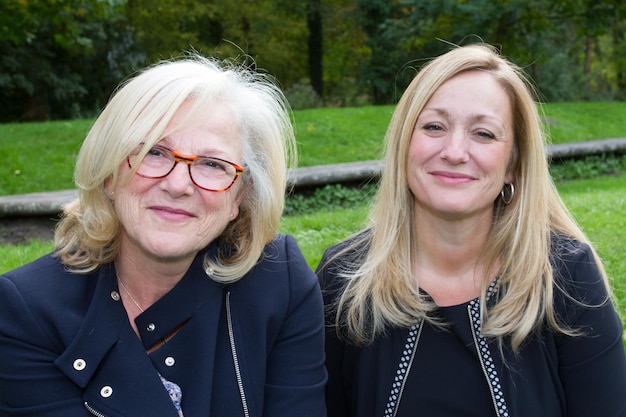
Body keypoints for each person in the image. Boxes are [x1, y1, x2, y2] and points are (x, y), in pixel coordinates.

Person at [0, 54, 327, 416]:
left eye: (212, 164)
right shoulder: (25, 310)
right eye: (153, 152)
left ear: (239, 197)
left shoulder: (279, 281)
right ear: (109, 174)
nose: (177, 185)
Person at [317, 43, 626, 417]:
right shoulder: (342, 278)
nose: (454, 150)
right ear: (403, 145)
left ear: (513, 164)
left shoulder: (567, 278)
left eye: (483, 134)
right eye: (434, 126)